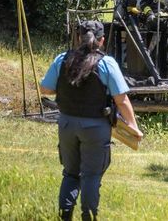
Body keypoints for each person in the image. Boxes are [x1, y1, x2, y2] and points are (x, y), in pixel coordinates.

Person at [40, 20, 142, 221]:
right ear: (102, 40)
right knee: (91, 175)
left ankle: (64, 216)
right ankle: (88, 217)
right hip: (95, 126)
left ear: (79, 38)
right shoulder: (107, 63)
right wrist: (133, 127)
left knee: (70, 174)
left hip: (66, 124)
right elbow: (121, 100)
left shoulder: (62, 59)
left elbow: (46, 89)